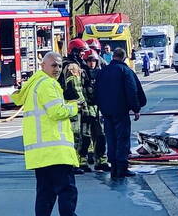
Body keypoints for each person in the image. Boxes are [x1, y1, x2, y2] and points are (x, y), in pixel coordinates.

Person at [11, 51, 90, 216]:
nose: (57, 69)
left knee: (45, 195)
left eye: (59, 65)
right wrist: (74, 107)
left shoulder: (35, 84)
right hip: (55, 150)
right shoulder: (48, 85)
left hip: (41, 152)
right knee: (67, 191)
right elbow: (57, 113)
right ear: (43, 66)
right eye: (53, 65)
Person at [95, 47, 147, 180]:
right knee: (122, 139)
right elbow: (132, 90)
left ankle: (113, 164)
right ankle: (122, 167)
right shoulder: (125, 71)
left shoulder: (102, 72)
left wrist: (101, 108)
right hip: (121, 111)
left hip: (106, 112)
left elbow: (96, 92)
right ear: (124, 57)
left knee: (110, 138)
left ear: (113, 56)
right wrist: (136, 108)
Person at [60, 39, 90, 173]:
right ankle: (72, 164)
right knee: (75, 135)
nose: (83, 54)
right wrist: (84, 105)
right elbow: (75, 88)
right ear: (75, 52)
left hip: (69, 105)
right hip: (73, 106)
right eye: (81, 51)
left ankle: (75, 162)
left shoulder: (68, 64)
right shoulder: (73, 67)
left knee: (76, 135)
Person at [81, 49, 109, 172]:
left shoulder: (101, 74)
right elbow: (79, 92)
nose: (91, 63)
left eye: (93, 60)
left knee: (101, 136)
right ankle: (83, 161)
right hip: (86, 109)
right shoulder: (82, 74)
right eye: (89, 60)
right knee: (85, 136)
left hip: (98, 109)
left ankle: (101, 161)